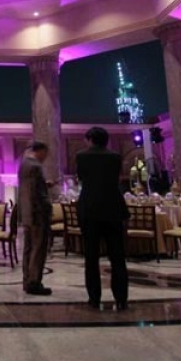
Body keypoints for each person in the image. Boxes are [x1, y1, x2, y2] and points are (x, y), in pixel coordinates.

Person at [75, 126, 129, 311]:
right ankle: (121, 298)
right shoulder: (115, 157)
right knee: (118, 257)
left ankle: (94, 298)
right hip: (113, 209)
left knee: (91, 258)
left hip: (90, 210)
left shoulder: (81, 156)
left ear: (90, 139)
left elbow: (81, 178)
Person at [18, 141, 53, 295]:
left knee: (28, 248)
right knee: (38, 249)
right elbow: (36, 194)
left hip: (27, 213)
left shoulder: (24, 164)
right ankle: (34, 283)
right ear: (40, 151)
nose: (46, 157)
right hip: (38, 214)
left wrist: (45, 185)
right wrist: (47, 207)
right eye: (46, 153)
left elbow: (29, 188)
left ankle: (27, 280)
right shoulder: (36, 166)